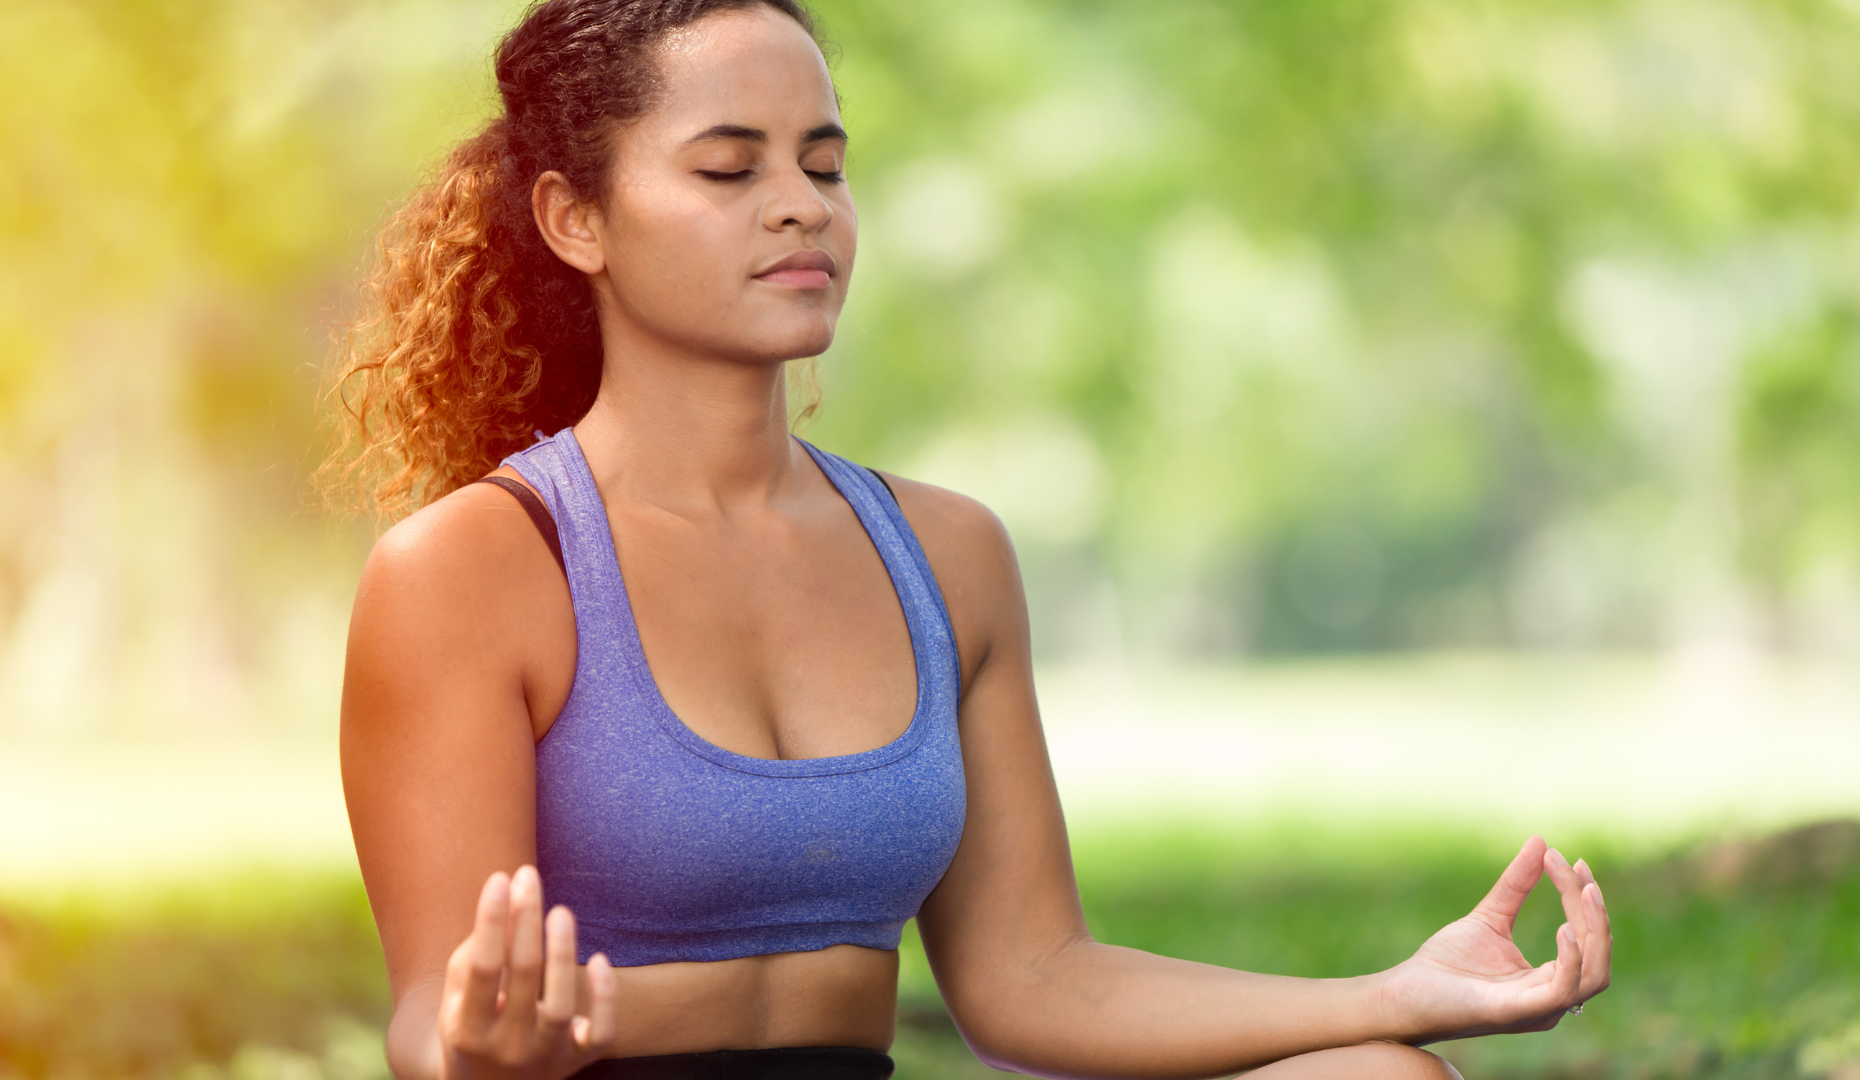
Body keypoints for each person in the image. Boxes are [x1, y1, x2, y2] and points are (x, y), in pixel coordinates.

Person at [330, 2, 1612, 1078]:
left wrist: (1397, 995)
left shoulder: (945, 553)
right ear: (575, 219)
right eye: (730, 169)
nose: (800, 210)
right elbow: (426, 1009)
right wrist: (480, 1052)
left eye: (823, 167)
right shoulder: (476, 568)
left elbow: (1032, 975)